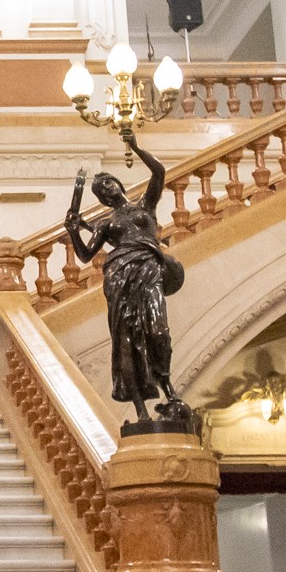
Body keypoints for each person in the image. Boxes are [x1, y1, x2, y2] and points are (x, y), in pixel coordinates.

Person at [61, 141, 189, 427]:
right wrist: (73, 231)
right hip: (119, 274)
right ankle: (141, 410)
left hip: (149, 268)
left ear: (118, 183)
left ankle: (168, 389)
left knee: (158, 332)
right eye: (101, 189)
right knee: (127, 339)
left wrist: (134, 145)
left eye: (108, 182)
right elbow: (84, 256)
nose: (106, 187)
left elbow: (158, 172)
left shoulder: (145, 205)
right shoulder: (106, 224)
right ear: (103, 199)